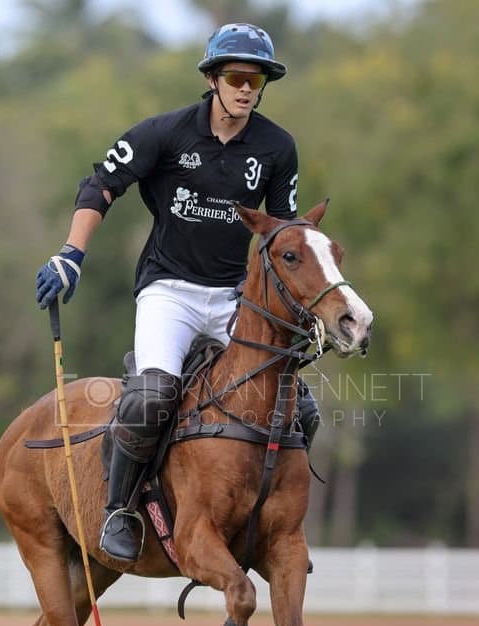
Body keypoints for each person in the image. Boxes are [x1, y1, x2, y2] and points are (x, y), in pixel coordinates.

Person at [35, 22, 320, 563]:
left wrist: (305, 301)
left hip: (235, 297)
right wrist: (71, 253)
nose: (246, 89)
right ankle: (119, 508)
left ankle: (276, 522)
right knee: (151, 398)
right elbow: (101, 185)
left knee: (301, 407)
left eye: (256, 80)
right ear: (212, 79)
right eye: (235, 78)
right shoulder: (164, 134)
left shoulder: (277, 147)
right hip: (170, 291)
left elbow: (285, 233)